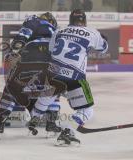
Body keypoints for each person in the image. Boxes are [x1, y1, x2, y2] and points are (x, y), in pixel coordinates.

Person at [42, 8, 108, 145]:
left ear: (70, 20)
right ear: (84, 20)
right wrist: (102, 39)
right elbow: (104, 48)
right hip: (75, 77)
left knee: (55, 97)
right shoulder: (91, 32)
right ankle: (67, 131)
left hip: (53, 75)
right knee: (87, 111)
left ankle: (48, 122)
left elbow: (50, 50)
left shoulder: (58, 31)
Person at [0, 12, 61, 136]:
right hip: (50, 62)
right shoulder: (56, 31)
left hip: (30, 58)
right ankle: (51, 124)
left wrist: (14, 49)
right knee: (53, 91)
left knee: (11, 90)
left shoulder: (35, 20)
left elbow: (23, 36)